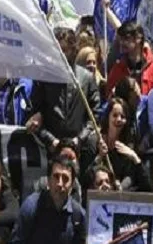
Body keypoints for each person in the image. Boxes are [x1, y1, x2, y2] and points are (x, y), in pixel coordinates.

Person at [26, 28, 100, 158]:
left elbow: (95, 115)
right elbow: (34, 113)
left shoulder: (86, 78)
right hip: (51, 149)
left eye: (64, 50)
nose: (60, 55)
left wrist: (79, 139)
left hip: (79, 149)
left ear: (74, 50)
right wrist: (51, 140)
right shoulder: (44, 79)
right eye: (56, 50)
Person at [95, 98, 148, 191]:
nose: (119, 119)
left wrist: (121, 187)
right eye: (115, 115)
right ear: (108, 117)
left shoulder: (129, 144)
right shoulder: (96, 140)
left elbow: (131, 176)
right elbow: (87, 175)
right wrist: (99, 156)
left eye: (122, 117)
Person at [106, 21, 153, 96]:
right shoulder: (118, 67)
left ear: (138, 38)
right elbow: (108, 93)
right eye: (121, 39)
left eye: (126, 38)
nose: (122, 43)